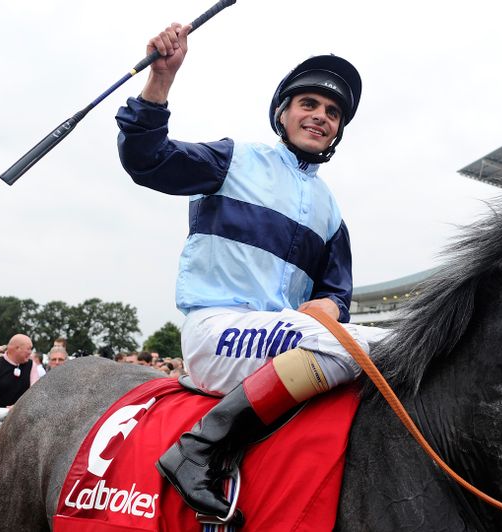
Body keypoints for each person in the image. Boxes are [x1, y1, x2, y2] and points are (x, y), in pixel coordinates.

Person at [116, 22, 386, 520]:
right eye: (309, 104)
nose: (321, 117)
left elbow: (336, 292)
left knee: (394, 341)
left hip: (282, 341)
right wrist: (160, 80)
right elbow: (146, 159)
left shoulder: (331, 213)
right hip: (217, 332)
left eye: (332, 113)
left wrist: (331, 303)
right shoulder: (231, 159)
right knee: (367, 346)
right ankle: (197, 448)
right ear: (282, 114)